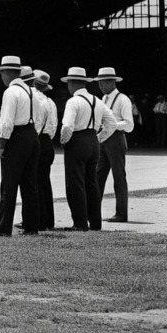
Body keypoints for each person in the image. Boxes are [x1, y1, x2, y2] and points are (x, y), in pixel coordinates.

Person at [0, 56, 40, 237]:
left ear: (7, 73)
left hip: (16, 137)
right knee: (30, 184)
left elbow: (6, 122)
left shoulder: (11, 92)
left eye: (2, 73)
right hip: (32, 135)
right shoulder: (32, 92)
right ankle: (32, 226)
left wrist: (2, 145)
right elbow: (38, 119)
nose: (1, 77)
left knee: (8, 185)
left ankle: (3, 228)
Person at [60, 68, 117, 230]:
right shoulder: (98, 101)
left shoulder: (73, 102)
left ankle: (80, 223)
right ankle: (95, 222)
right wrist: (98, 138)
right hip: (92, 140)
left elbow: (67, 126)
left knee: (75, 183)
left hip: (77, 141)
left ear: (71, 83)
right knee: (91, 183)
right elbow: (111, 124)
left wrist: (65, 141)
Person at [95, 67, 134, 222]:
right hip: (104, 139)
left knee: (119, 177)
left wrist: (113, 125)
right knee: (98, 176)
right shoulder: (103, 99)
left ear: (112, 82)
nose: (100, 86)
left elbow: (129, 125)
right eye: (99, 83)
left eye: (103, 83)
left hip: (116, 140)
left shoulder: (123, 99)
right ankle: (94, 211)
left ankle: (121, 213)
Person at [33, 71, 59, 231]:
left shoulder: (36, 100)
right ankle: (47, 219)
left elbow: (37, 124)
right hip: (48, 141)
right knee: (44, 182)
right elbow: (54, 125)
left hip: (38, 141)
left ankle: (38, 218)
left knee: (34, 182)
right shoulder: (51, 102)